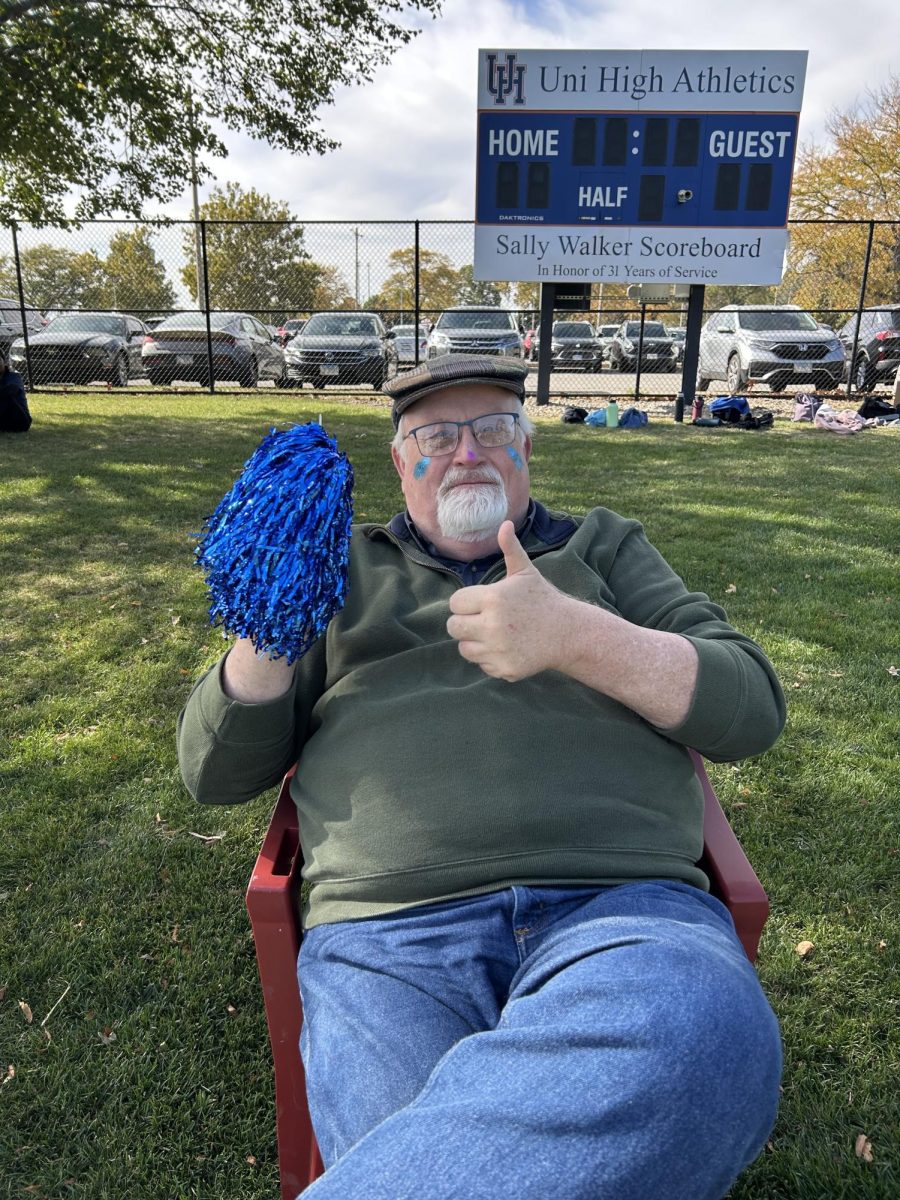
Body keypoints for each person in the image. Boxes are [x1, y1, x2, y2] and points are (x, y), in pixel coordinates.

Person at [177, 355, 786, 1200]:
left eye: (494, 430)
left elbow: (751, 706)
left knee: (703, 1037)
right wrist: (267, 629)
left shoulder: (601, 547)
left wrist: (576, 635)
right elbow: (213, 773)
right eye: (436, 436)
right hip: (390, 937)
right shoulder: (335, 571)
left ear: (526, 449)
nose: (468, 453)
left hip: (624, 911)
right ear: (400, 463)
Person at [0, 348, 32, 433]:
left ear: (5, 362)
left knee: (6, 395)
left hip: (19, 420)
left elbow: (10, 390)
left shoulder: (14, 377)